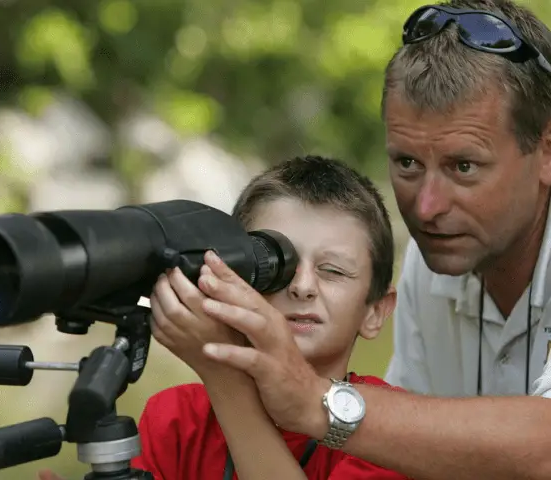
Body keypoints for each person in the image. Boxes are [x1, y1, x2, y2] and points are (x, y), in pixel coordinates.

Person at [189, 1, 551, 480]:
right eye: (406, 164)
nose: (425, 208)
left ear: (546, 152)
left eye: (463, 167)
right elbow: (411, 455)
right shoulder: (433, 263)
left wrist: (314, 402)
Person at [37, 155, 409, 480]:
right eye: (276, 265)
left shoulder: (392, 430)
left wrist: (224, 375)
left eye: (333, 271)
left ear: (375, 311)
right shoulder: (176, 420)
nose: (302, 286)